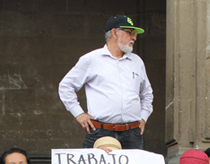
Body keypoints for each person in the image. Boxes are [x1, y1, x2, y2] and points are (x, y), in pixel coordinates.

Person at [58, 15, 153, 150]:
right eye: (129, 33)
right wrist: (79, 114)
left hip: (132, 133)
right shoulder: (91, 59)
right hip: (100, 131)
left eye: (134, 34)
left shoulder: (137, 61)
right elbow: (66, 86)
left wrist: (143, 117)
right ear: (114, 33)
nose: (134, 38)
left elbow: (147, 94)